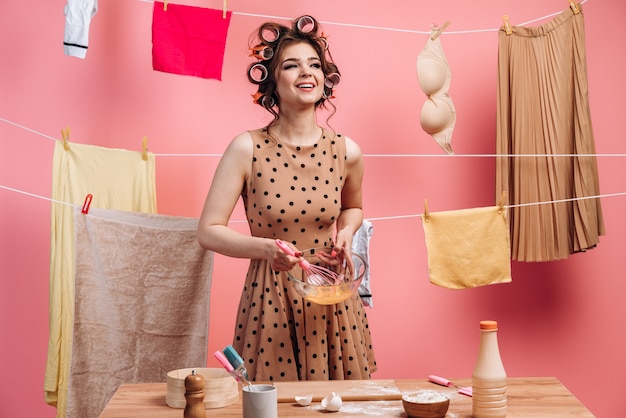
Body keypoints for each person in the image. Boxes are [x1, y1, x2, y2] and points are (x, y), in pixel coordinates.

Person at [197, 15, 376, 381]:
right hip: (271, 297)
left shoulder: (347, 151)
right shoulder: (246, 147)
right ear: (273, 82)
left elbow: (353, 208)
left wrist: (346, 231)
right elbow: (208, 231)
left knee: (340, 404)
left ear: (325, 80)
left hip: (330, 292)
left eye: (314, 65)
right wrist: (267, 249)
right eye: (291, 65)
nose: (305, 73)